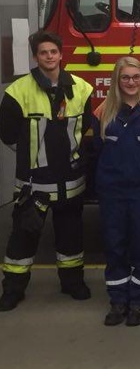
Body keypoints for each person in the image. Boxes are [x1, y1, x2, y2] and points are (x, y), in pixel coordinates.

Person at [0, 31, 93, 311]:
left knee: (71, 235)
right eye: (43, 53)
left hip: (70, 179)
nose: (49, 57)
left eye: (53, 52)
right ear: (35, 56)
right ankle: (13, 290)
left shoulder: (82, 88)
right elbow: (7, 134)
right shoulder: (17, 91)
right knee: (23, 237)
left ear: (61, 54)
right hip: (34, 181)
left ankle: (73, 283)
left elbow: (86, 126)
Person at [93, 57, 140, 326]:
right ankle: (118, 301)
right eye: (125, 77)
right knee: (115, 246)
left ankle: (138, 302)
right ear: (117, 80)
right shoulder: (102, 113)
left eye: (136, 77)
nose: (131, 82)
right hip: (112, 192)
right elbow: (97, 152)